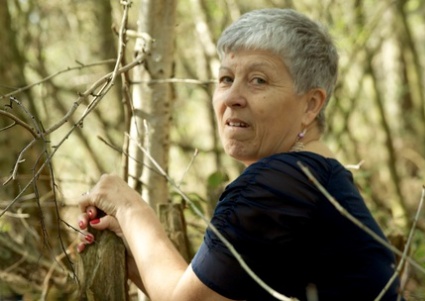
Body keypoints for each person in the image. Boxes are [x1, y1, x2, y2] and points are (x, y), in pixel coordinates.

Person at [77, 8, 403, 301]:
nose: (232, 96)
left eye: (258, 80)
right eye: (226, 79)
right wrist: (138, 256)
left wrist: (129, 207)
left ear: (311, 105)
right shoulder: (317, 177)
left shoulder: (281, 181)